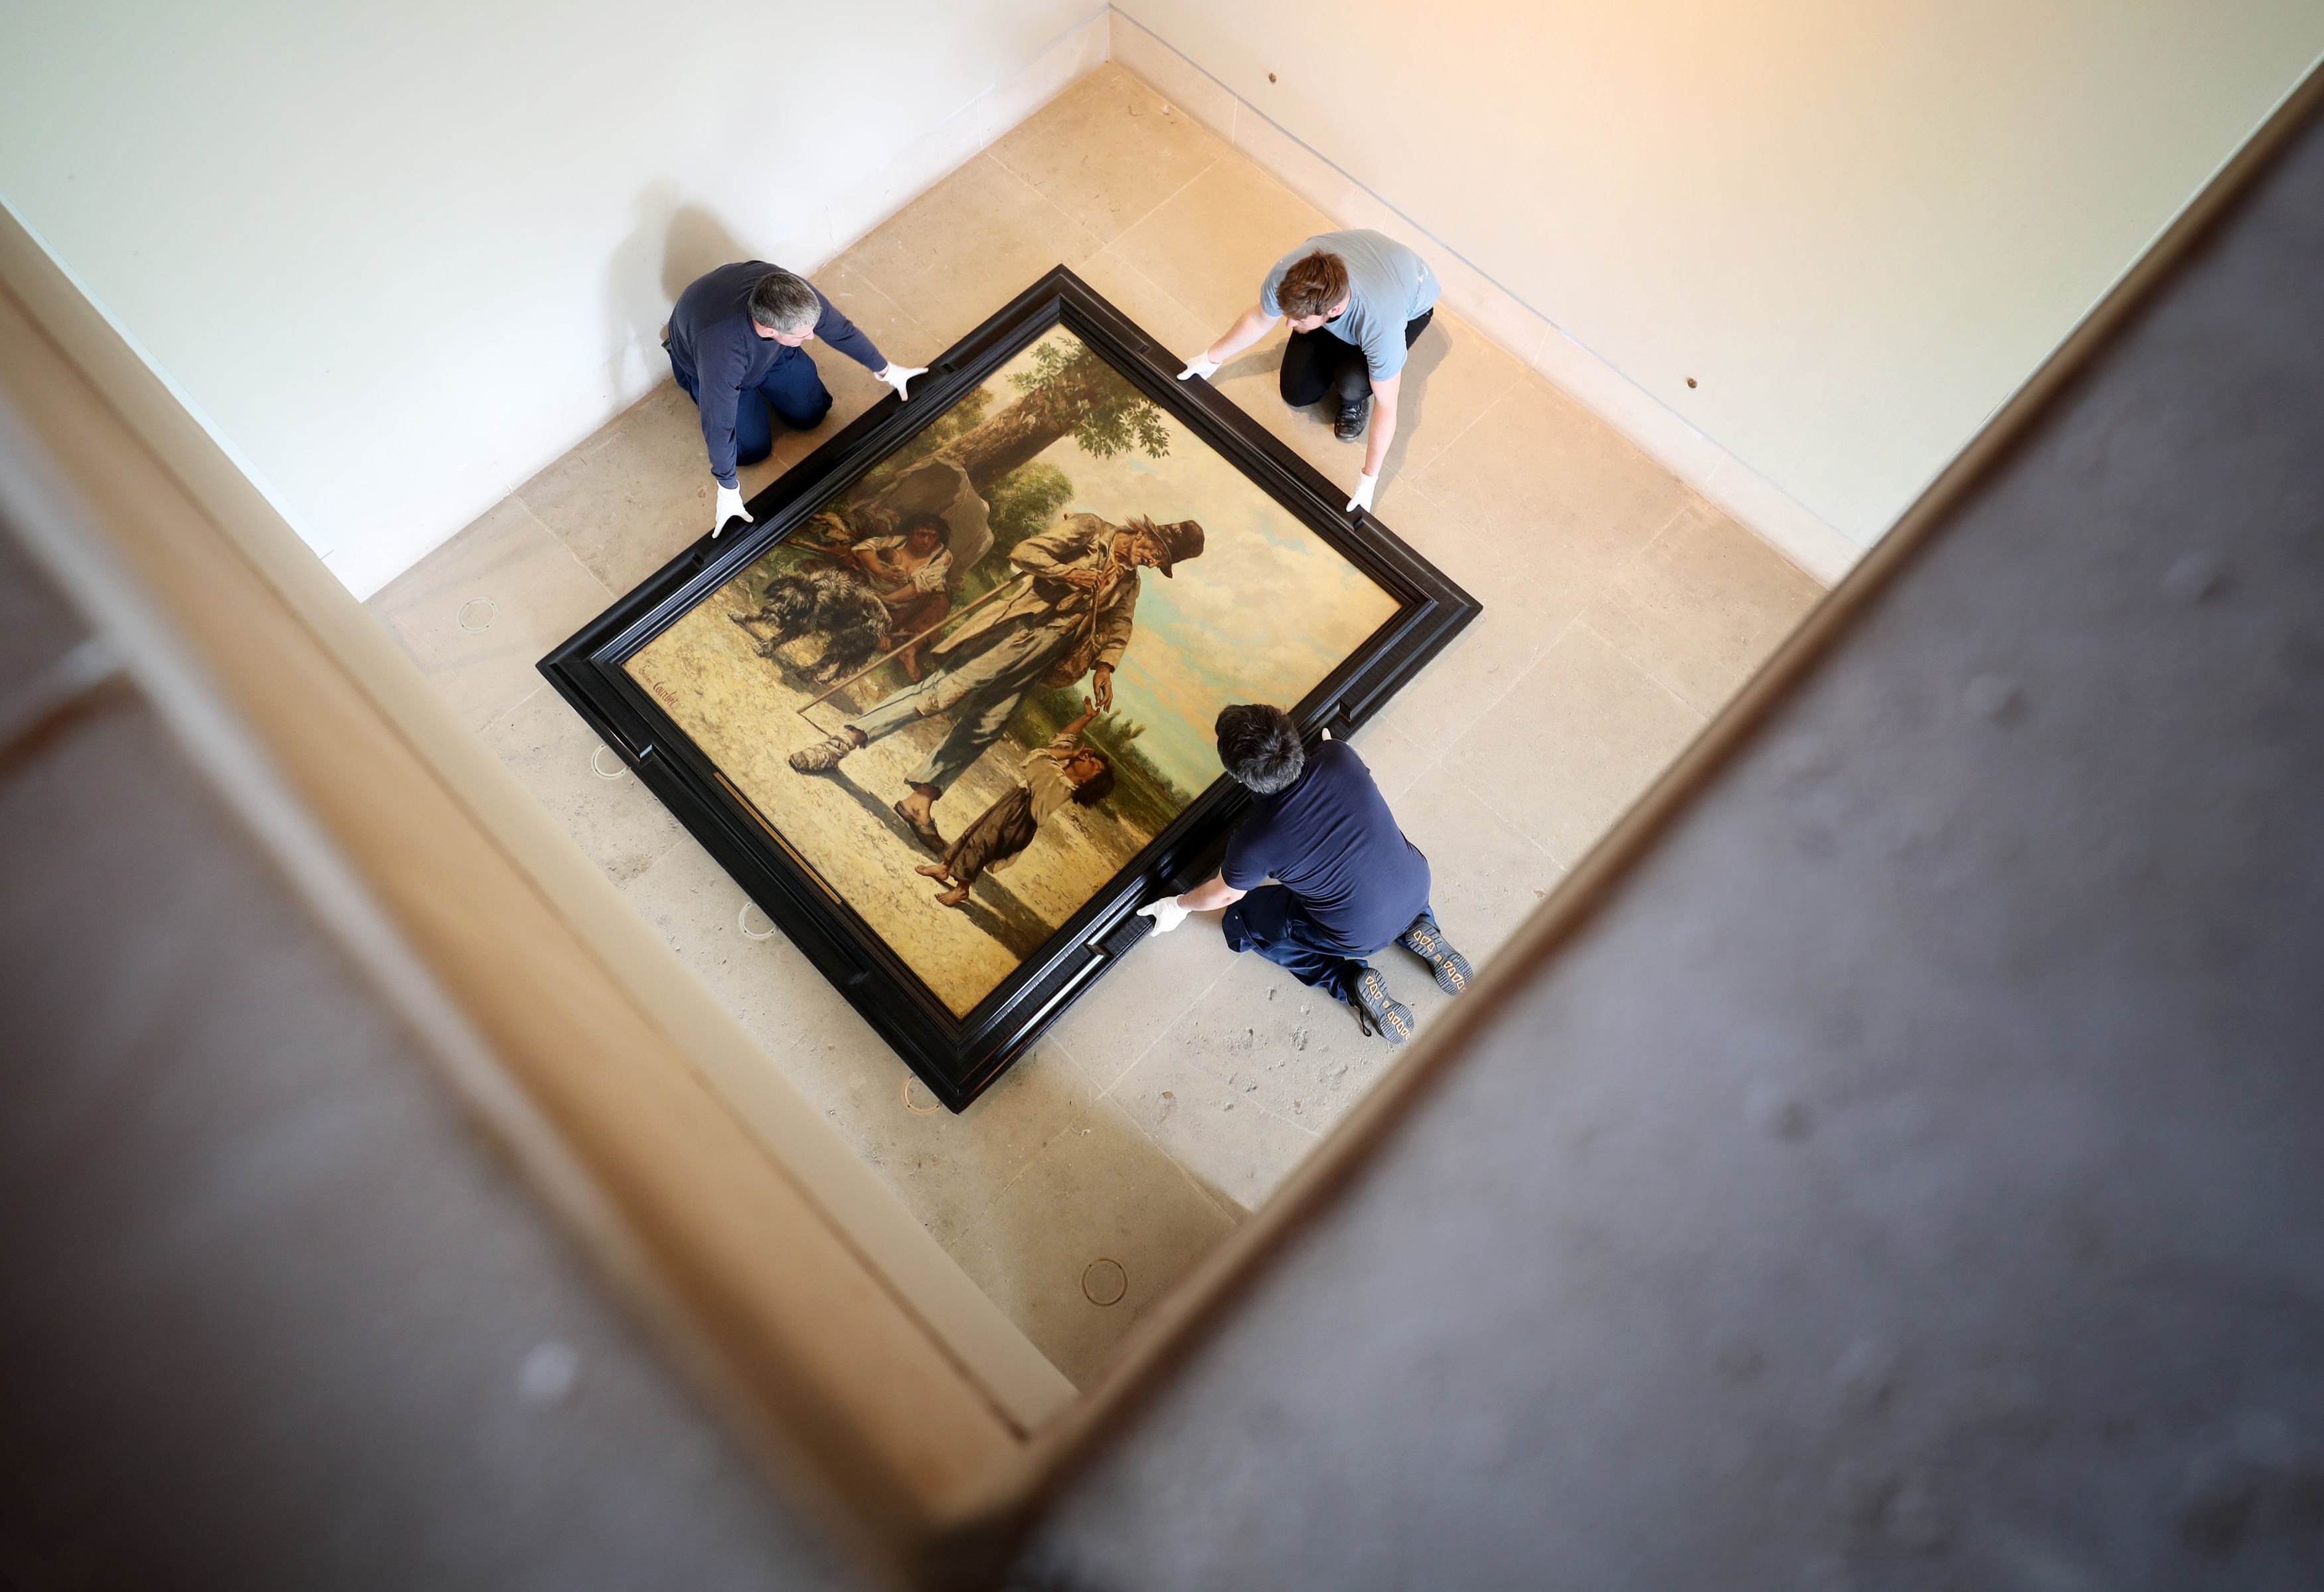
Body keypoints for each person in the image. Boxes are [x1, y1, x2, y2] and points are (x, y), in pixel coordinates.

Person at [787, 512, 1205, 851]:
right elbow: (1026, 552)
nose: (1151, 562)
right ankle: (841, 743)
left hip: (1044, 656)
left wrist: (1106, 667)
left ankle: (920, 802)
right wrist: (1066, 575)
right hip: (1013, 631)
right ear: (1146, 533)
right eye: (1155, 552)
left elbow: (1120, 625)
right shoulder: (1090, 530)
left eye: (1160, 563)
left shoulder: (1129, 582)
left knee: (985, 727)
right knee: (937, 696)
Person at [1137, 703, 1471, 1043]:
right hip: (1416, 883)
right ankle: (1421, 925)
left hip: (1361, 935)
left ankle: (1346, 983)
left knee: (1240, 920)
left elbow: (1223, 894)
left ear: (1240, 777)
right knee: (1369, 862)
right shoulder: (1339, 757)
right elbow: (1328, 755)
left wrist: (1179, 906)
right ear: (1291, 734)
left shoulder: (1255, 842)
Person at [1176, 230, 1440, 516]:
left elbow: (1388, 406)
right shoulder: (1291, 274)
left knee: (1353, 383)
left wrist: (1368, 481)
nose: (1288, 324)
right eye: (1290, 314)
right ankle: (1331, 339)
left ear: (1334, 309)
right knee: (1296, 392)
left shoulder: (1381, 326)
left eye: (1298, 318)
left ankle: (1354, 395)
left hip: (1408, 297)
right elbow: (1260, 318)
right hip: (1357, 273)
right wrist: (1209, 359)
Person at [664, 261, 929, 537]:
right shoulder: (721, 350)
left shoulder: (792, 294)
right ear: (769, 329)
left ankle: (779, 363)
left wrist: (887, 371)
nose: (813, 337)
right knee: (752, 450)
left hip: (771, 353)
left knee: (812, 413)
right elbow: (719, 423)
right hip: (714, 364)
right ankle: (689, 367)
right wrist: (727, 488)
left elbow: (840, 330)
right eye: (803, 335)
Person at [916, 696, 1116, 908]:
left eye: (1095, 766)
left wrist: (1071, 753)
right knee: (974, 832)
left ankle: (962, 888)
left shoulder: (1063, 786)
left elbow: (1043, 755)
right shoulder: (1063, 767)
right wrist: (1086, 718)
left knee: (981, 844)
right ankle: (945, 867)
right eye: (1092, 758)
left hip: (1020, 821)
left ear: (1087, 781)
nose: (1088, 759)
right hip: (1013, 805)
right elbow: (1064, 739)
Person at [847, 511, 953, 679]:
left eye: (932, 536)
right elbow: (863, 548)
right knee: (854, 579)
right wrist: (881, 572)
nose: (926, 541)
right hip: (873, 596)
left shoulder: (942, 556)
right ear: (912, 533)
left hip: (905, 608)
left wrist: (888, 598)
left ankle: (909, 649)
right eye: (922, 535)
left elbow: (920, 587)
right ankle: (876, 630)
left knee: (941, 602)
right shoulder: (898, 542)